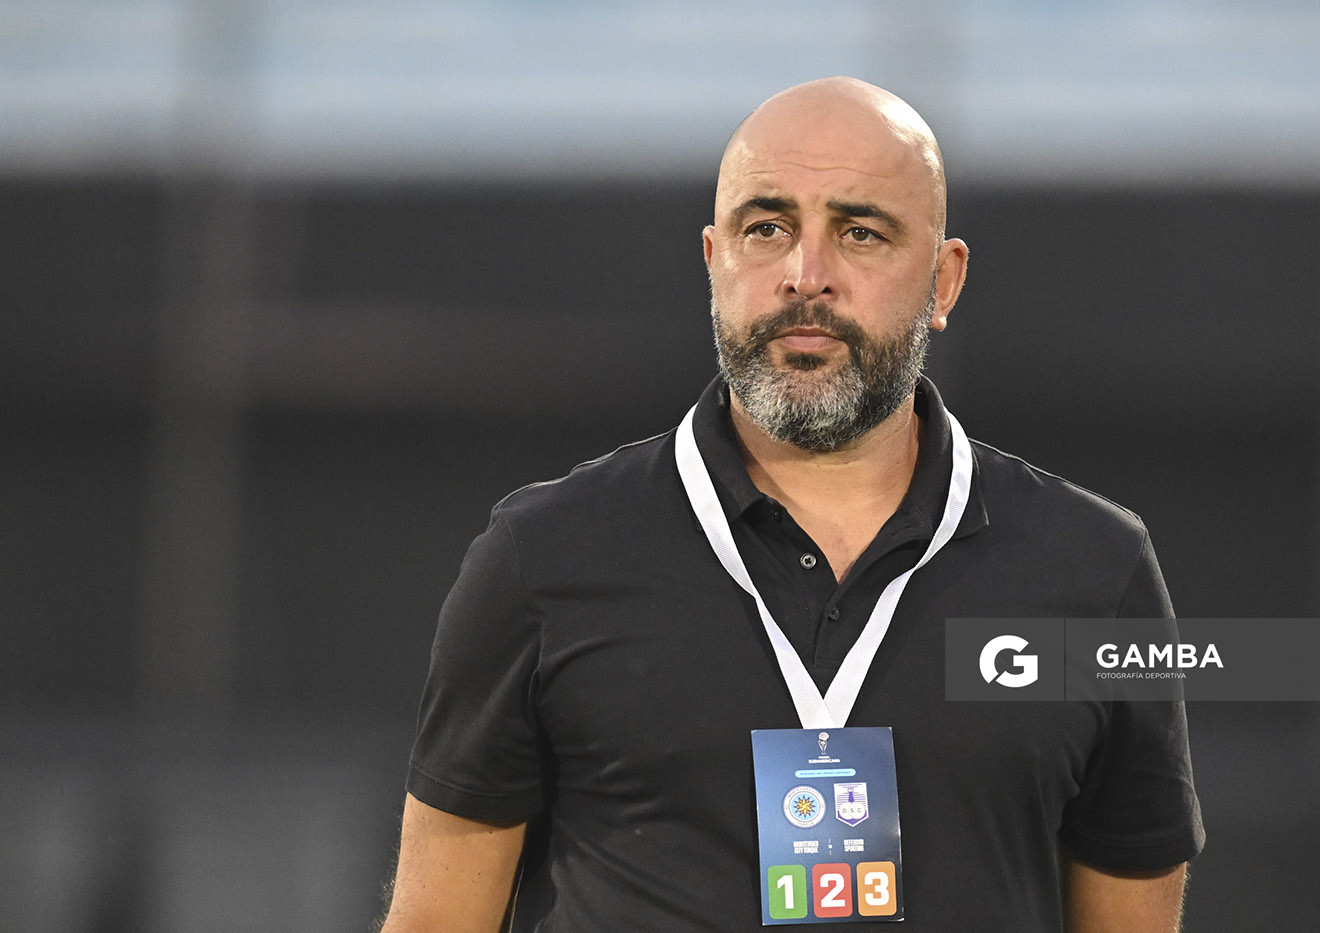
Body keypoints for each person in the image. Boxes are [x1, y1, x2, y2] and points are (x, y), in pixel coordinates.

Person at [379, 76, 1204, 932]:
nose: (806, 277)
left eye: (861, 232)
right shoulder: (541, 557)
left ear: (944, 280)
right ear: (713, 262)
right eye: (766, 229)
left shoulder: (1094, 571)